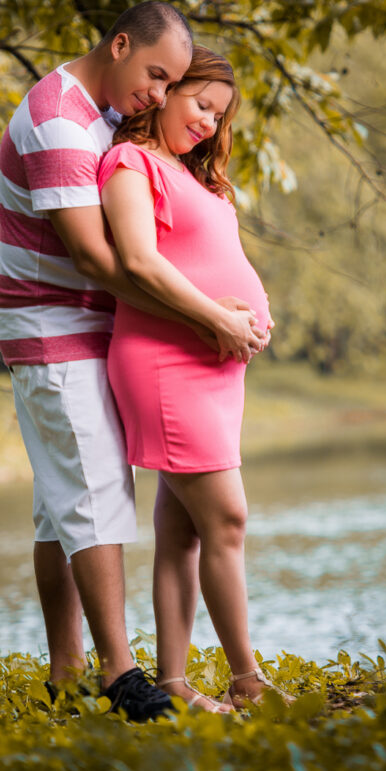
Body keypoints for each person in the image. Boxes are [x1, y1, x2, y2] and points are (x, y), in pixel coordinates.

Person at [0, 4, 265, 721]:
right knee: (94, 498)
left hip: (93, 328)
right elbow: (97, 257)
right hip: (58, 329)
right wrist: (207, 315)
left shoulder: (103, 116)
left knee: (61, 506)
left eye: (169, 83)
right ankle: (123, 682)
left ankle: (66, 671)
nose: (157, 94)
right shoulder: (60, 119)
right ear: (119, 45)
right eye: (156, 76)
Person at [97, 45, 294, 711]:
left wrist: (241, 321)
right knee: (228, 518)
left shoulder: (188, 173)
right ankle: (247, 678)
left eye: (220, 115)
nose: (210, 123)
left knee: (182, 532)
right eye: (201, 104)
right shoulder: (132, 163)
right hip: (163, 361)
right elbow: (138, 264)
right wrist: (219, 316)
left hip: (210, 367)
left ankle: (176, 683)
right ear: (167, 89)